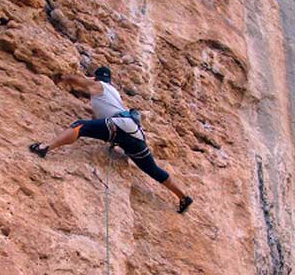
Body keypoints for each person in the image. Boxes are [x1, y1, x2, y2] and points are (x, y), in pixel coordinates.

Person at [29, 67, 193, 213]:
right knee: (153, 170)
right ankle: (183, 197)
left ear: (96, 78)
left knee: (80, 126)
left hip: (120, 126)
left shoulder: (98, 85)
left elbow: (78, 81)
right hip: (135, 134)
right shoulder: (113, 92)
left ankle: (45, 147)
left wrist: (63, 77)